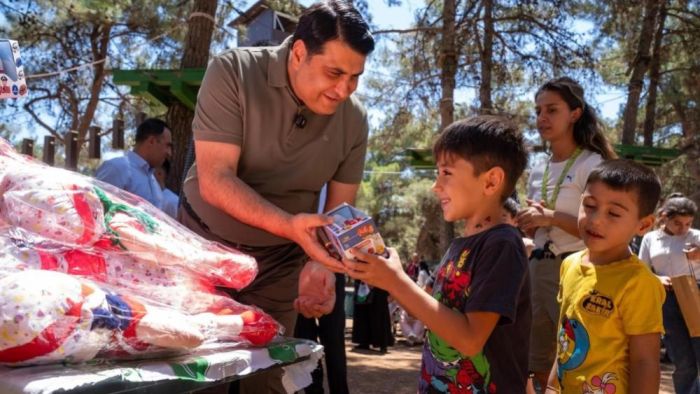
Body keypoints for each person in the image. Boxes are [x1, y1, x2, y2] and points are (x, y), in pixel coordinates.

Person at [178, 1, 374, 392]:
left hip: (281, 263)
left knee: (268, 378)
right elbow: (215, 180)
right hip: (204, 254)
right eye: (335, 73)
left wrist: (326, 267)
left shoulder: (354, 118)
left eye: (355, 77)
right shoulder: (232, 71)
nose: (343, 90)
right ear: (299, 52)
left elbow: (339, 212)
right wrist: (290, 225)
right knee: (198, 373)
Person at [346, 116, 531, 392]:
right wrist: (384, 274)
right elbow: (424, 310)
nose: (435, 185)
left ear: (491, 181)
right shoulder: (459, 245)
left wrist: (397, 281)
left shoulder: (502, 245)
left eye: (446, 172)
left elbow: (469, 339)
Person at [516, 76, 617, 391]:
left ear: (575, 113)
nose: (542, 118)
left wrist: (551, 217)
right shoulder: (538, 167)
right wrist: (530, 221)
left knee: (575, 357)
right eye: (538, 111)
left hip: (580, 271)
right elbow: (544, 221)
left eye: (552, 110)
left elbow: (603, 229)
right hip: (539, 269)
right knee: (533, 361)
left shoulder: (593, 163)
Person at [544, 159, 665, 393]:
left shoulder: (638, 283)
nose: (596, 219)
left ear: (643, 225)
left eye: (614, 213)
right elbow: (565, 340)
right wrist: (551, 387)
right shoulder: (569, 264)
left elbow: (645, 362)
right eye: (589, 205)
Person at [639, 195, 700, 394]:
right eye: (677, 223)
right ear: (664, 217)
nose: (683, 228)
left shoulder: (696, 236)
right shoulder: (650, 238)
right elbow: (641, 269)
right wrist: (656, 279)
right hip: (667, 299)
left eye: (688, 223)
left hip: (695, 294)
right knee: (682, 359)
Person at [95, 118, 173, 210]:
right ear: (152, 141)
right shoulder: (117, 168)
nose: (169, 153)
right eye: (167, 146)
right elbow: (95, 208)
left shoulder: (154, 182)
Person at [351, 280, 394, 354]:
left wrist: (372, 280)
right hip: (363, 281)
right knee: (362, 312)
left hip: (379, 283)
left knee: (379, 314)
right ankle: (363, 341)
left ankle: (382, 343)